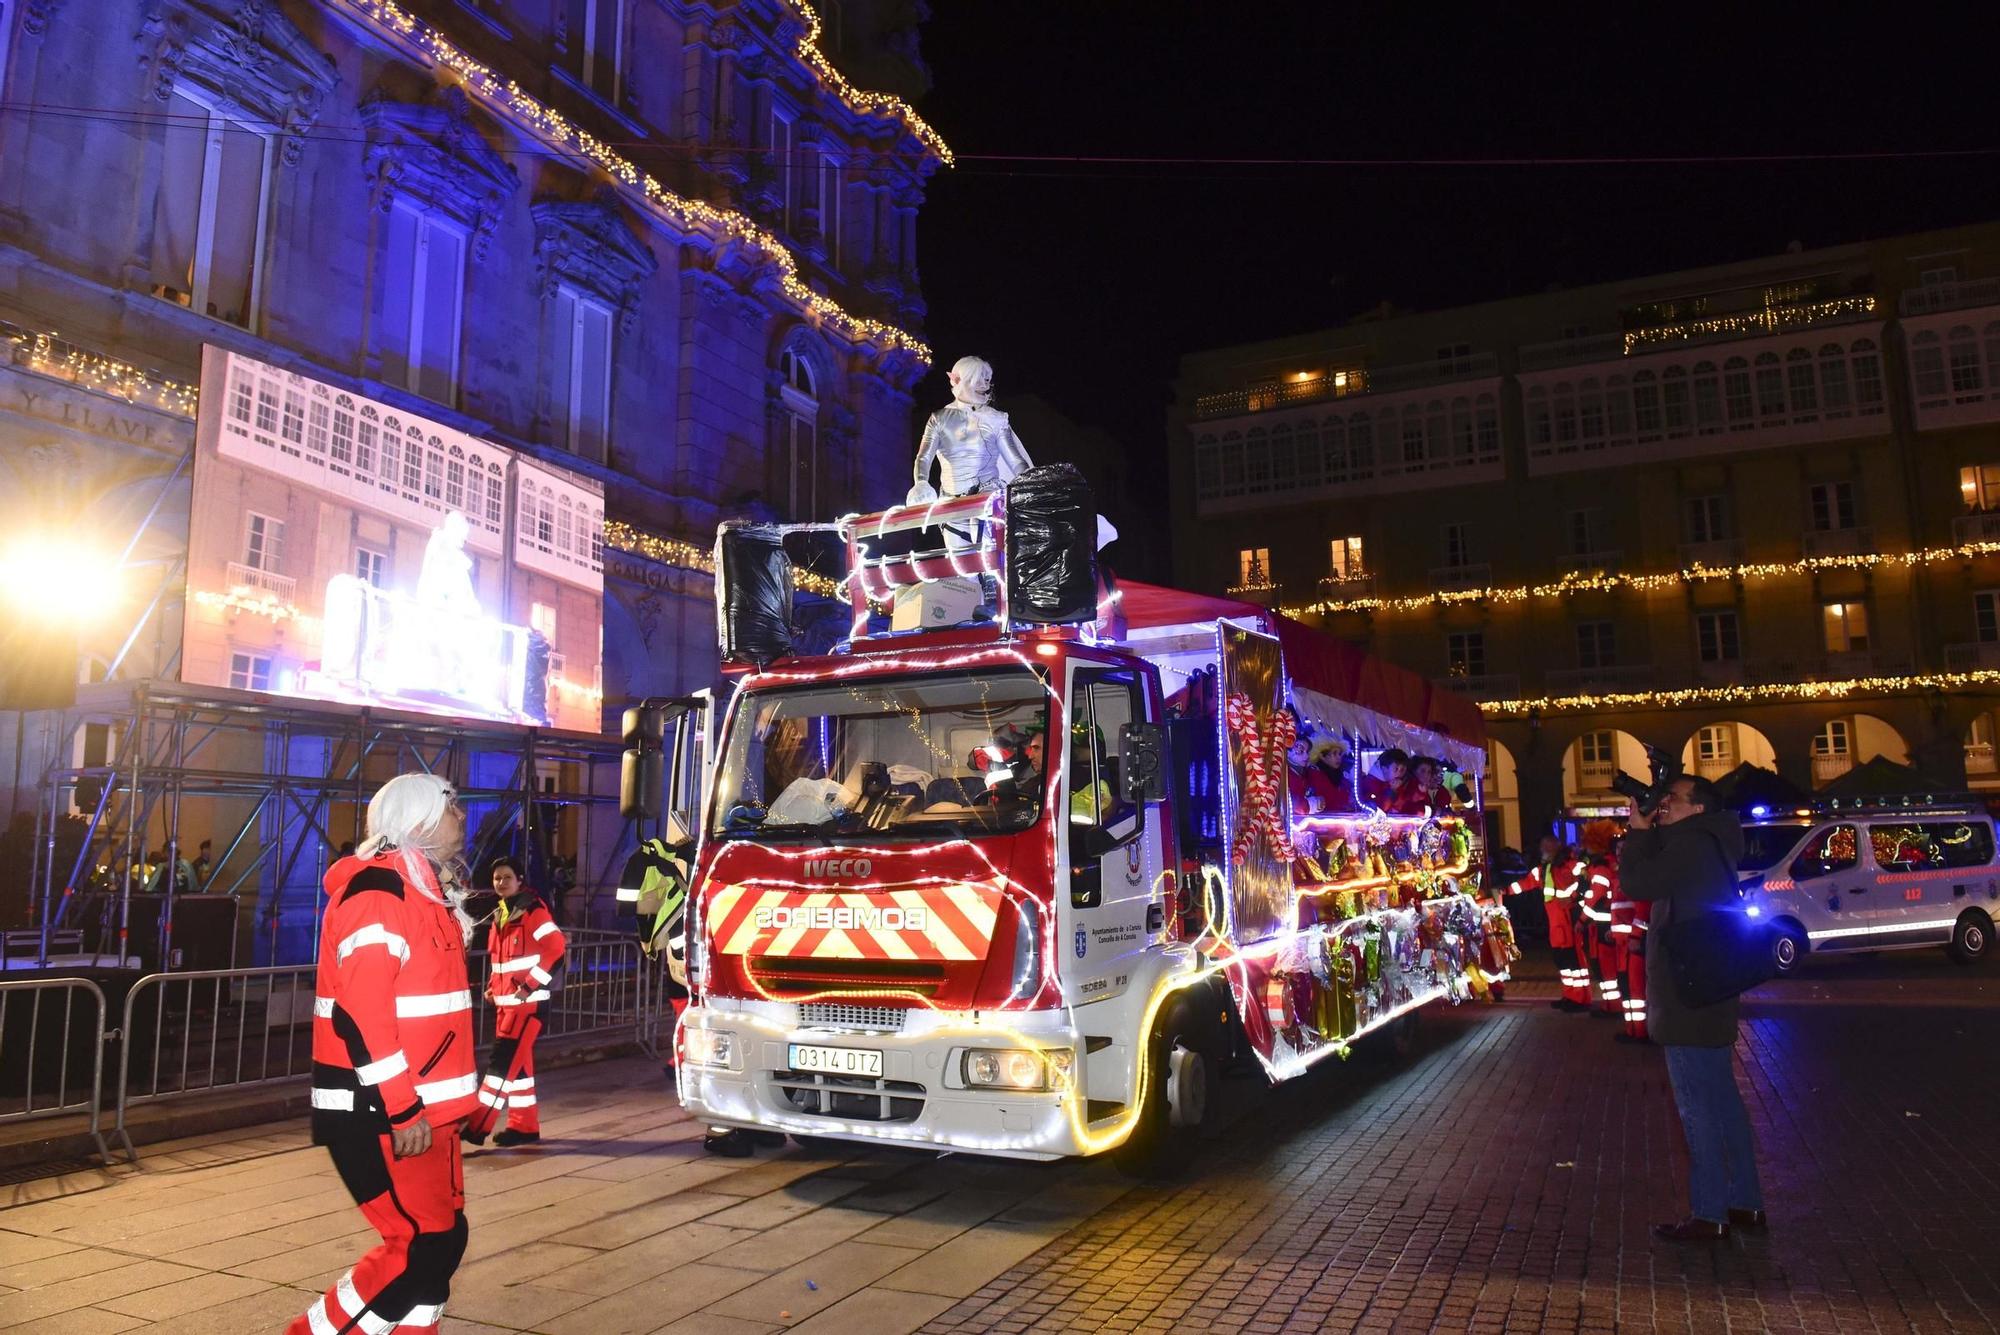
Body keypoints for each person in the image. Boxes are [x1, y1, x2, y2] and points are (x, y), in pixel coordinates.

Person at [289, 773, 479, 1335]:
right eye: (453, 806)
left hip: (424, 1111)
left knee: (441, 1241)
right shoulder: (380, 892)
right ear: (418, 819)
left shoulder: (422, 891)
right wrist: (401, 1106)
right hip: (383, 1108)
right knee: (417, 1245)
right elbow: (362, 1014)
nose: (462, 817)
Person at [1621, 775, 1766, 1243]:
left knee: (1697, 1108)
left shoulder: (1691, 848)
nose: (1663, 806)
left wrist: (1638, 831)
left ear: (1698, 808)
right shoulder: (1711, 842)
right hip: (1711, 994)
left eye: (1672, 800)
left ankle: (1709, 1213)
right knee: (1723, 1102)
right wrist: (1653, 825)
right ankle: (1745, 1203)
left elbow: (1636, 880)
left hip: (1688, 1001)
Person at [462, 856, 565, 1147]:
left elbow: (556, 949)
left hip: (527, 1006)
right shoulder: (502, 914)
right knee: (518, 1071)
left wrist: (529, 985)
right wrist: (494, 988)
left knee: (501, 1066)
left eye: (507, 877)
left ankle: (476, 1126)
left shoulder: (533, 911)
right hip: (507, 1005)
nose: (501, 883)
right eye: (497, 878)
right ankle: (524, 1127)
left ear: (520, 880)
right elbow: (503, 963)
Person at [1507, 834, 1591, 1011]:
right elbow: (1526, 883)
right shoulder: (1544, 869)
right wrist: (1504, 891)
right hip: (1556, 923)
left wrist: (1573, 899)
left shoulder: (1571, 865)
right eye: (1543, 847)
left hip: (1569, 920)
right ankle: (1570, 995)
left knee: (1573, 961)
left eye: (1547, 847)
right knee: (1562, 961)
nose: (1543, 850)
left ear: (1556, 847)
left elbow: (1587, 881)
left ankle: (1580, 998)